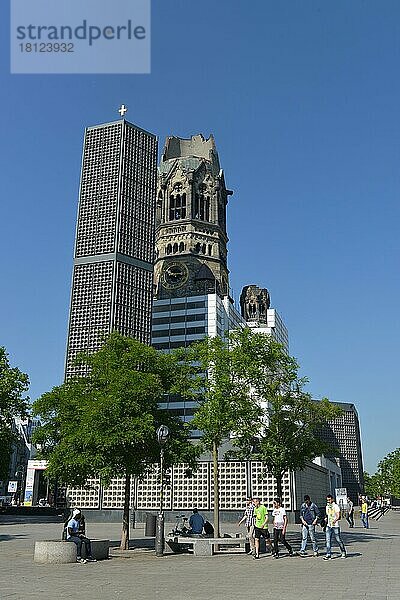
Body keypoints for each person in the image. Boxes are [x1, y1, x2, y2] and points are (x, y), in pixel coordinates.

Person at [323, 494, 346, 560]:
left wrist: (335, 520)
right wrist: (326, 519)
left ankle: (343, 552)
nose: (328, 501)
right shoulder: (327, 507)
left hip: (335, 526)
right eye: (327, 500)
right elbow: (327, 515)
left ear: (332, 499)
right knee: (328, 540)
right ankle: (328, 554)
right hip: (328, 525)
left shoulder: (336, 506)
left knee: (338, 540)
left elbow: (338, 516)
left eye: (329, 500)